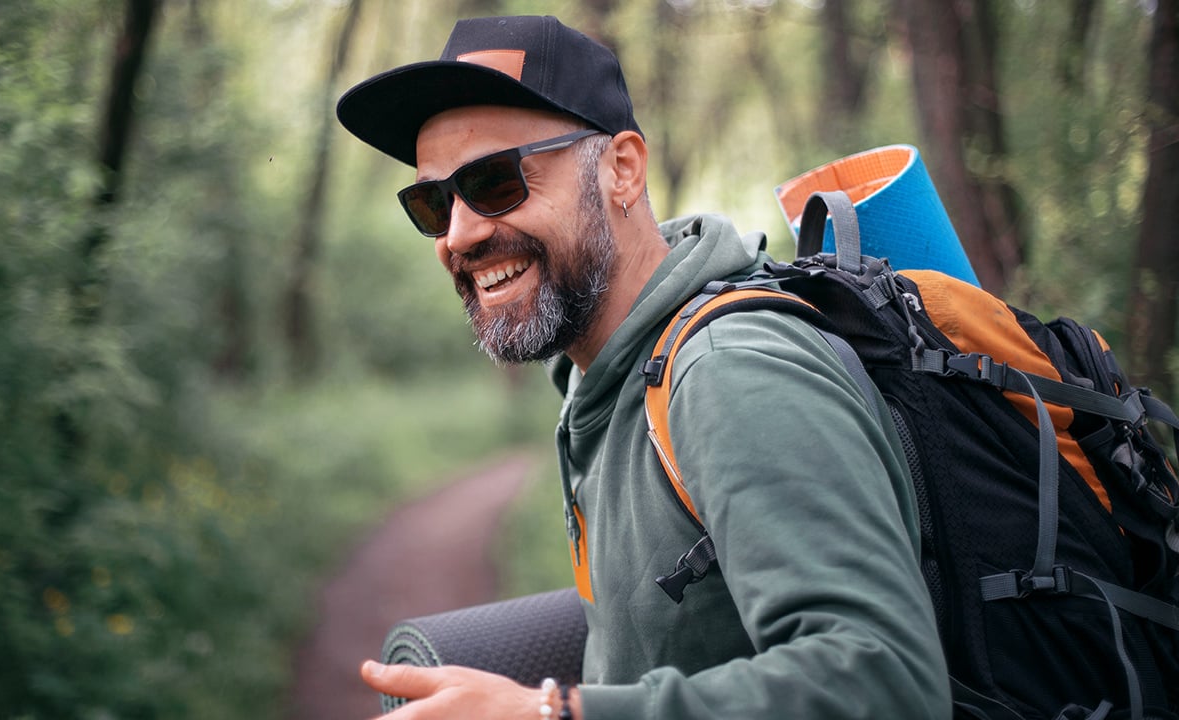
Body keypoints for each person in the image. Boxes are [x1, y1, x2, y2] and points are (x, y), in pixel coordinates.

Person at [336, 14, 952, 720]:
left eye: (496, 182)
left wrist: (553, 714)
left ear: (622, 170)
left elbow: (886, 685)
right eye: (432, 203)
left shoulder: (730, 373)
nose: (460, 233)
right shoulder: (604, 379)